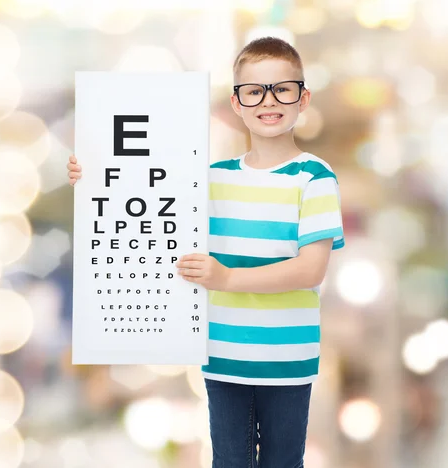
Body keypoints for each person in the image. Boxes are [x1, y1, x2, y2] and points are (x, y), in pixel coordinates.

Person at [68, 36, 345, 468]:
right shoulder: (210, 177)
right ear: (237, 103)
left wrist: (229, 278)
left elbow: (310, 270)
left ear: (302, 98)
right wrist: (93, 175)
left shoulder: (314, 177)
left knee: (283, 461)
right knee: (229, 462)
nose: (268, 102)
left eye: (282, 89)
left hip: (287, 358)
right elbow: (141, 187)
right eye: (254, 91)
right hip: (222, 356)